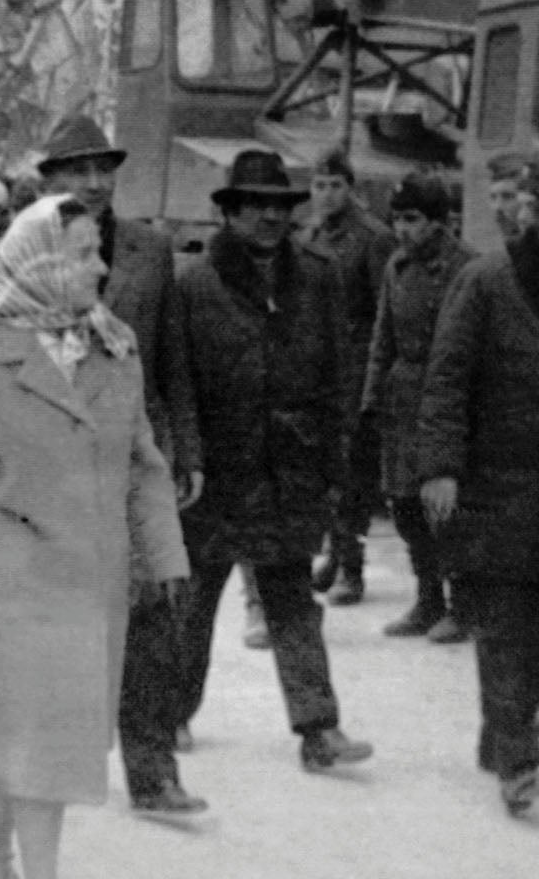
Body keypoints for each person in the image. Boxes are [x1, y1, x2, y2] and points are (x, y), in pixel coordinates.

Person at [0, 192, 189, 879]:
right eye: (82, 255)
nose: (101, 269)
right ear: (38, 262)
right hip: (11, 591)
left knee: (36, 746)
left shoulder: (115, 349)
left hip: (94, 588)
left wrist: (167, 557)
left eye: (99, 251)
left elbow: (144, 466)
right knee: (37, 754)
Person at [415, 138, 539, 815]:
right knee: (501, 624)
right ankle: (519, 762)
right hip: (495, 489)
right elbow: (446, 379)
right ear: (538, 210)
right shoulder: (489, 282)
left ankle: (500, 734)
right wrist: (440, 468)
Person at [171, 150, 373, 772]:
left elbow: (339, 375)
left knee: (290, 599)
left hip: (290, 468)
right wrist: (186, 460)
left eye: (277, 207)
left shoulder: (319, 276)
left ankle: (319, 730)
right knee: (194, 601)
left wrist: (338, 469)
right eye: (252, 206)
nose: (266, 218)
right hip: (217, 472)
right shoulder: (194, 284)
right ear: (229, 213)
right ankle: (170, 715)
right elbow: (177, 384)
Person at [32, 113, 206, 818]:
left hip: (134, 456)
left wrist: (186, 448)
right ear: (48, 183)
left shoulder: (150, 252)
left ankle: (152, 770)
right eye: (77, 170)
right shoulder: (11, 255)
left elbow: (172, 363)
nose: (95, 183)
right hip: (48, 460)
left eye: (104, 169)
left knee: (151, 614)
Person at [363, 172, 472, 645]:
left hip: (448, 399)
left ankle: (462, 604)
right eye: (397, 220)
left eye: (412, 220)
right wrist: (370, 400)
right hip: (402, 398)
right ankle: (428, 600)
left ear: (439, 221)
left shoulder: (468, 268)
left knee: (448, 509)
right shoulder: (397, 266)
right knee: (406, 506)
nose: (402, 230)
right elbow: (381, 337)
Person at [303, 148, 396, 606]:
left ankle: (352, 571)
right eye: (319, 185)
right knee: (325, 470)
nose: (325, 194)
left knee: (353, 474)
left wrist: (373, 381)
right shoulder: (310, 233)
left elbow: (386, 311)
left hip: (356, 366)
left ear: (350, 188)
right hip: (319, 364)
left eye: (334, 185)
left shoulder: (374, 238)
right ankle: (336, 558)